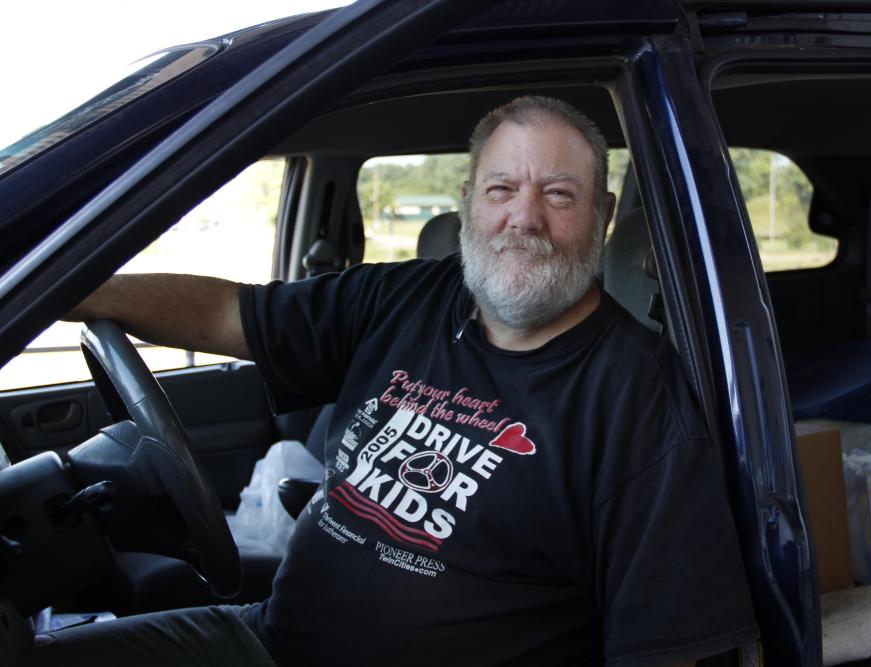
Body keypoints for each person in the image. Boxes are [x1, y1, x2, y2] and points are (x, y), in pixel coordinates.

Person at [33, 96, 757, 666]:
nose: (523, 217)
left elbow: (663, 649)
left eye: (560, 195)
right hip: (263, 640)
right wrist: (68, 288)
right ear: (469, 204)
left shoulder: (640, 404)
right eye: (501, 187)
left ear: (600, 219)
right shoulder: (410, 296)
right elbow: (232, 311)